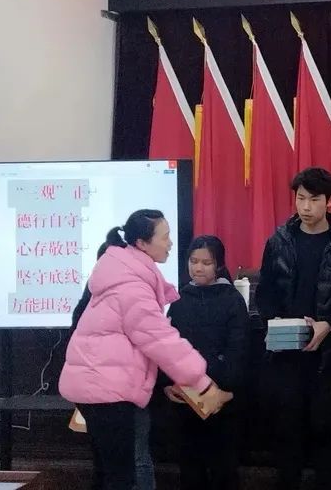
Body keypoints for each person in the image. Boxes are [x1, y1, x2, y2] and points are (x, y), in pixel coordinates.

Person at [60, 210, 232, 490]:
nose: (170, 244)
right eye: (165, 237)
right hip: (107, 389)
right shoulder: (132, 286)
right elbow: (161, 341)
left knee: (108, 475)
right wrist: (202, 383)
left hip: (99, 385)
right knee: (120, 479)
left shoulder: (124, 272)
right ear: (142, 243)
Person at [256, 167, 331, 490]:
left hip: (327, 358)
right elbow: (265, 292)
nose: (305, 206)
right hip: (286, 356)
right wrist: (275, 322)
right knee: (286, 433)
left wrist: (328, 325)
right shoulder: (279, 241)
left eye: (314, 199)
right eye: (300, 198)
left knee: (325, 434)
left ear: (330, 201)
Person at [162, 236, 248, 490]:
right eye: (193, 261)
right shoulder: (180, 300)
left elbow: (239, 351)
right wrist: (167, 384)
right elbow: (167, 346)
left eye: (206, 263)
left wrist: (221, 389)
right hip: (185, 400)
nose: (198, 268)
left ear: (219, 265)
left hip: (222, 400)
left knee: (224, 470)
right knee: (190, 470)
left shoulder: (232, 300)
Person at [71, 243, 157, 490]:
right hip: (99, 396)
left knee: (135, 458)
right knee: (107, 461)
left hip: (128, 395)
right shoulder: (88, 304)